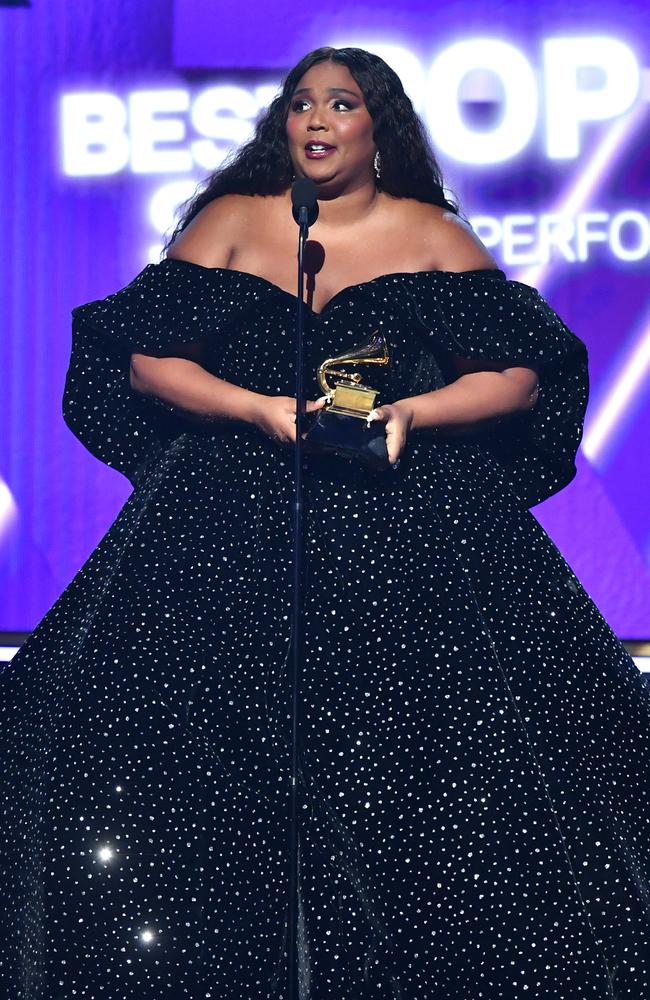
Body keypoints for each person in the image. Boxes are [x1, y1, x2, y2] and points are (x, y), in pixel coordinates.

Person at [1, 45, 648, 1000]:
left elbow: (515, 378)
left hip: (412, 532)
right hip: (227, 530)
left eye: (341, 103)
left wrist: (413, 415)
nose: (317, 119)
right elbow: (144, 363)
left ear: (376, 128)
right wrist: (256, 408)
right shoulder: (234, 222)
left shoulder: (432, 235)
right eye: (301, 102)